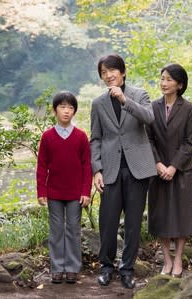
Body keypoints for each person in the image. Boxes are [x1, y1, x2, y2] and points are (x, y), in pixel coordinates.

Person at [90, 54, 157, 289]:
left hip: (137, 169)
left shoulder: (139, 94)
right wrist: (96, 169)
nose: (109, 75)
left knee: (132, 223)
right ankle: (106, 267)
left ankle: (127, 269)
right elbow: (95, 139)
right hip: (110, 170)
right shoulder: (98, 103)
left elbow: (149, 118)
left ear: (123, 72)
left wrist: (124, 99)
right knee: (107, 222)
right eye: (104, 73)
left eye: (112, 71)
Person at [146, 63, 192, 278]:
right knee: (161, 216)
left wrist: (173, 166)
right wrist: (158, 163)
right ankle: (166, 259)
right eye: (162, 78)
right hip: (158, 171)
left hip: (182, 170)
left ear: (180, 84)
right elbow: (147, 138)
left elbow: (189, 141)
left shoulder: (189, 108)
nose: (163, 83)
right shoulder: (152, 107)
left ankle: (178, 260)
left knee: (181, 215)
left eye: (168, 79)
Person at [36, 91, 92, 284]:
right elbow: (42, 166)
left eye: (70, 108)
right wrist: (41, 192)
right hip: (54, 193)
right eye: (62, 107)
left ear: (74, 111)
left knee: (74, 230)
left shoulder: (81, 136)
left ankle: (72, 268)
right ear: (54, 110)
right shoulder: (47, 137)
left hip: (76, 193)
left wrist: (86, 191)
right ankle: (57, 268)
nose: (66, 111)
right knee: (56, 230)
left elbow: (87, 166)